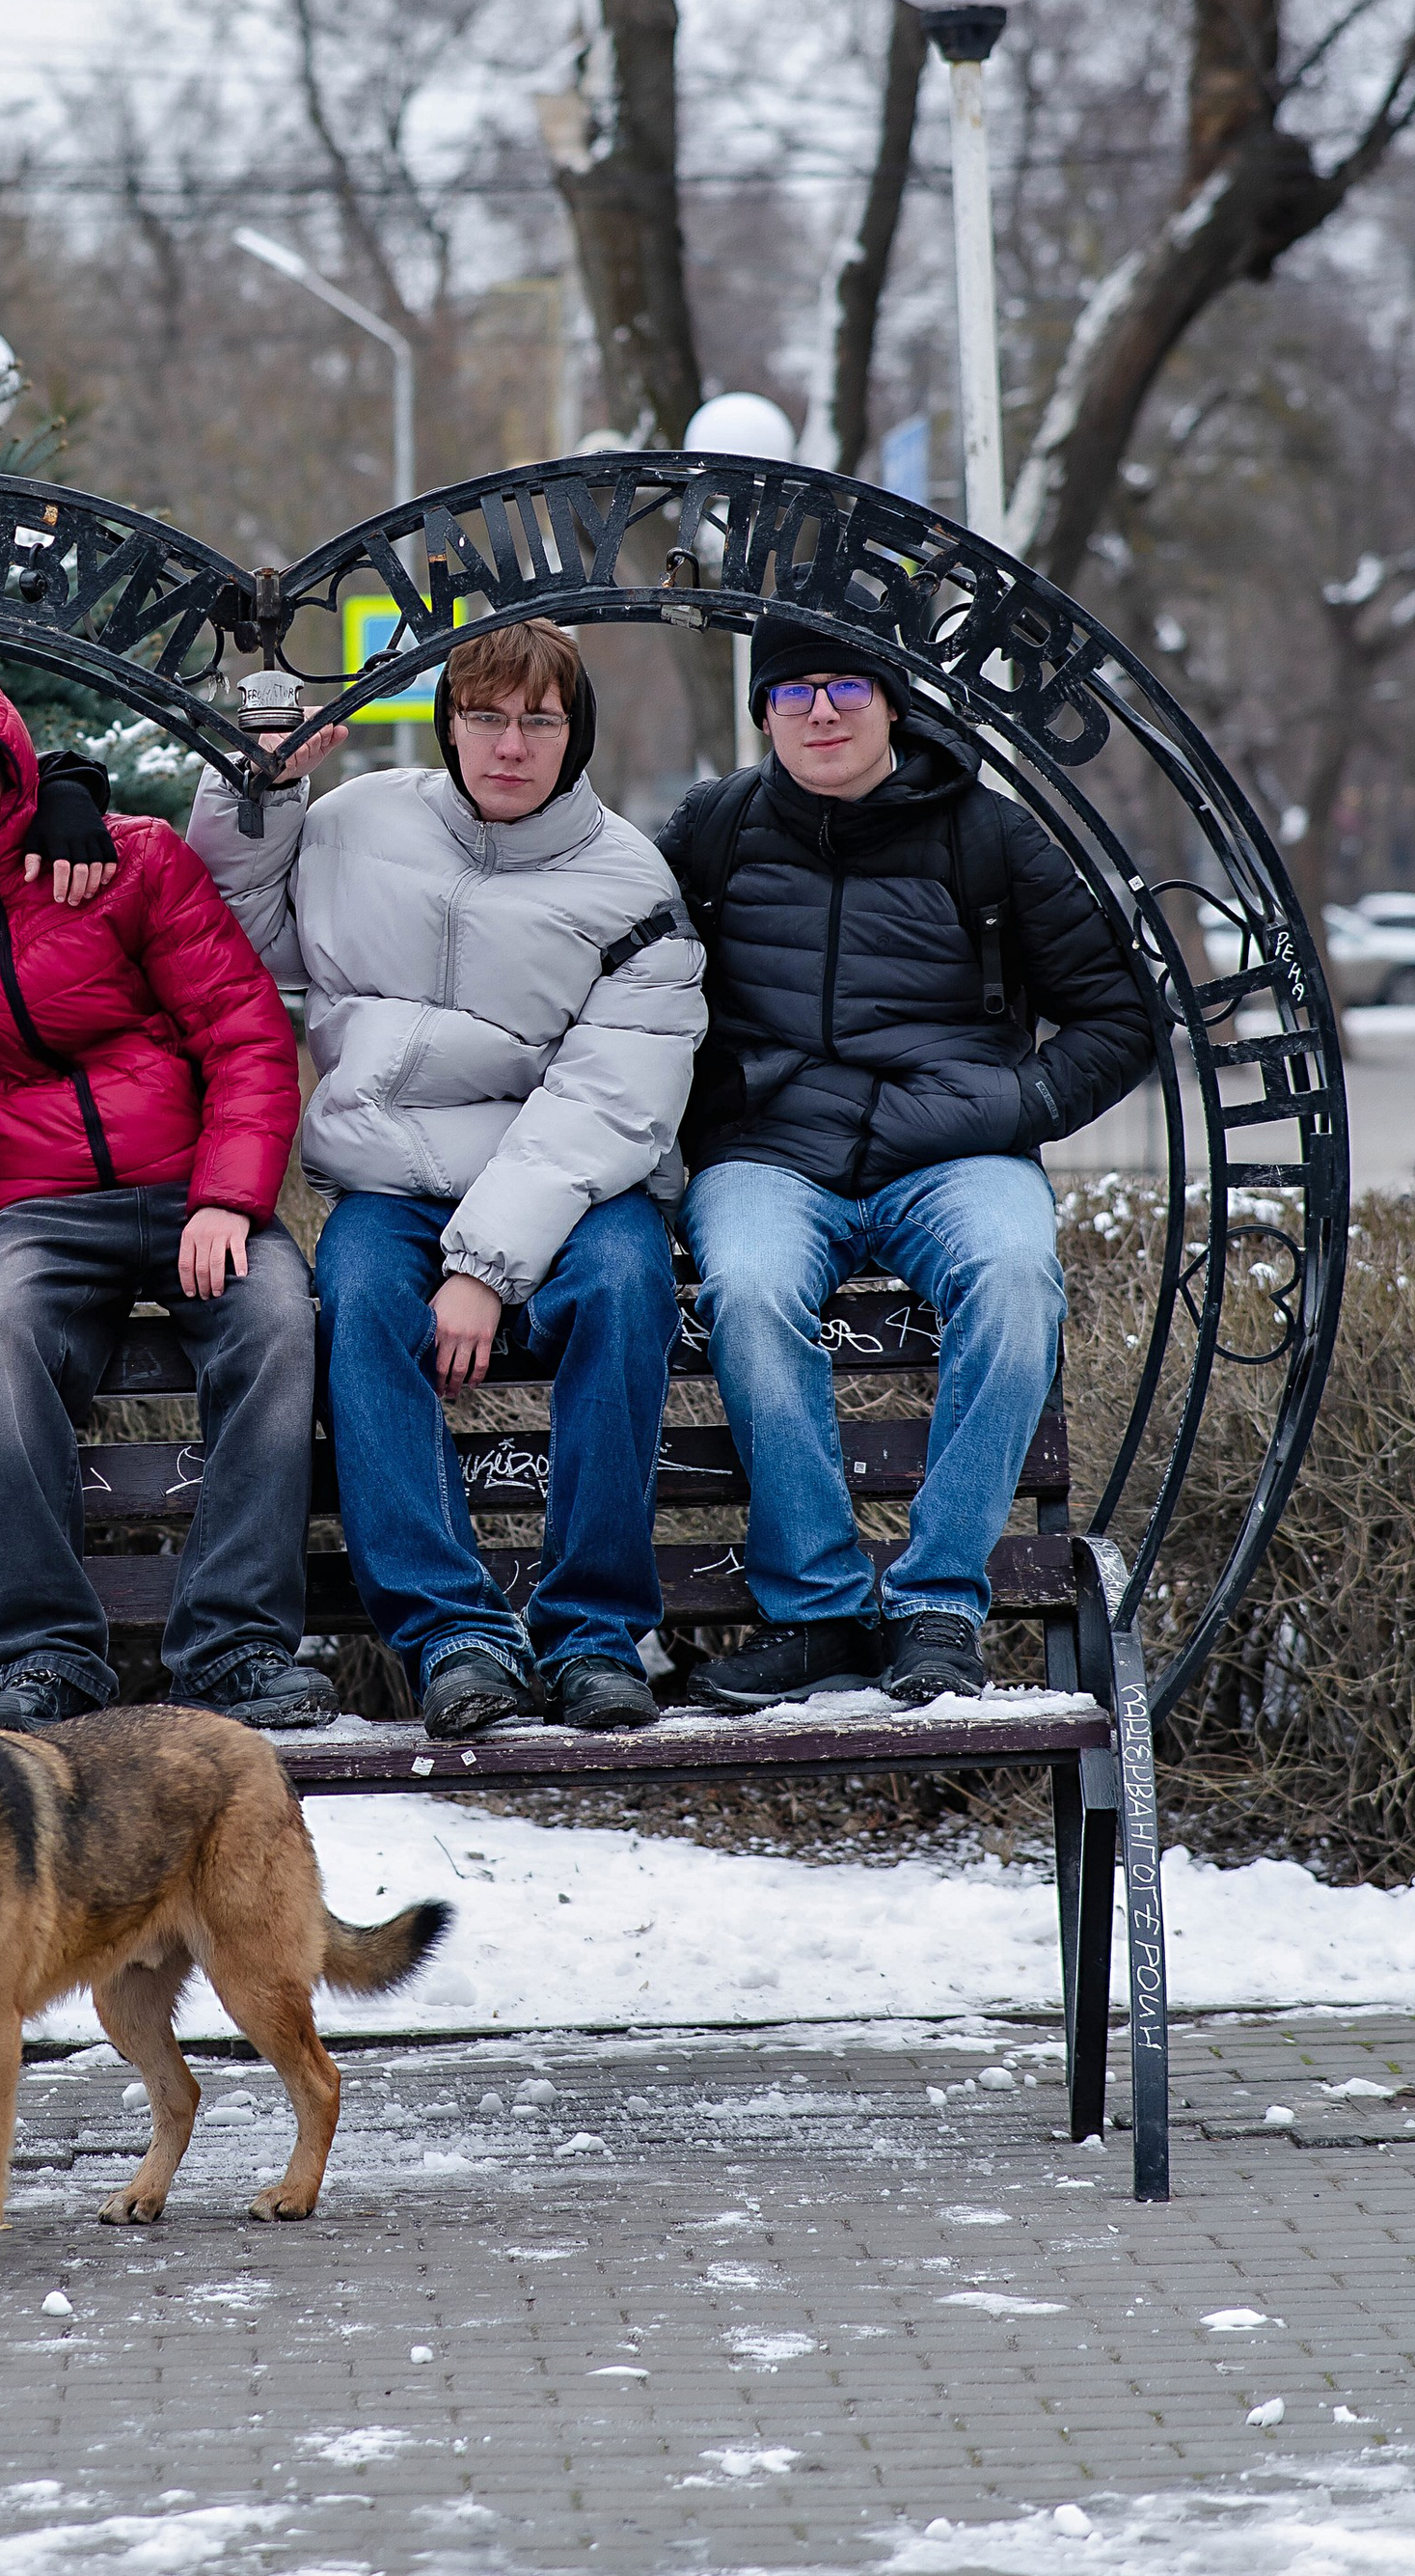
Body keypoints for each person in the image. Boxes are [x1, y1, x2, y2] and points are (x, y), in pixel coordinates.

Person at [190, 619, 707, 1743]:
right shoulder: (356, 824)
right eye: (483, 716)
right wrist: (258, 795)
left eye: (537, 720)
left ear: (573, 736)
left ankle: (592, 1637)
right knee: (362, 1293)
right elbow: (234, 936)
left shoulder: (628, 883)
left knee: (628, 1286)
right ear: (447, 722)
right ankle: (452, 1636)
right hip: (392, 1180)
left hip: (571, 1188)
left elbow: (610, 1097)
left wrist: (480, 1266)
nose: (507, 744)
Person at [663, 614, 1153, 1711]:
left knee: (1016, 1276)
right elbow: (625, 995)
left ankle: (938, 1601)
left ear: (893, 701)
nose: (820, 712)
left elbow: (1117, 1018)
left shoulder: (991, 837)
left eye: (844, 687)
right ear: (763, 716)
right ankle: (821, 1610)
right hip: (770, 1155)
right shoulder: (713, 830)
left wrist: (1013, 1100)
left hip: (952, 1151)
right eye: (792, 694)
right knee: (744, 1286)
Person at [0, 650, 332, 1736]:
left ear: (9, 761)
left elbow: (244, 1032)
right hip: (39, 1207)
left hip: (192, 1186)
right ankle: (44, 1657)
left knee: (274, 1322)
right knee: (2, 1329)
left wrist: (227, 1196)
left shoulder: (133, 860)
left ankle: (237, 1645)